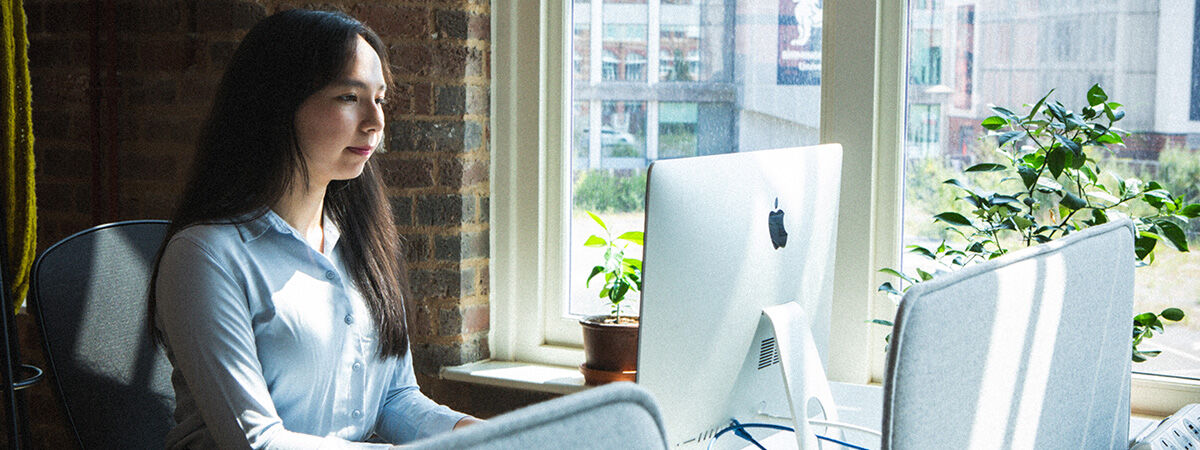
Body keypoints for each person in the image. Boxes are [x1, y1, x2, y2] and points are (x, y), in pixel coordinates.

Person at [151, 9, 480, 448]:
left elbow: (394, 398)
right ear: (278, 103)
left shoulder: (363, 243)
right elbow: (257, 442)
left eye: (379, 99)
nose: (375, 122)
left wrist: (486, 436)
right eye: (349, 97)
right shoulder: (204, 257)